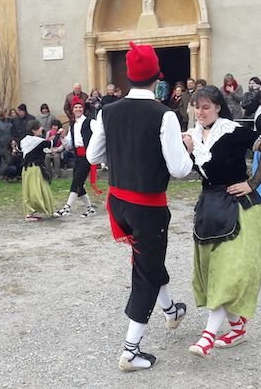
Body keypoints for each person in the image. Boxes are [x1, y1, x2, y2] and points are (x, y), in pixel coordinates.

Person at [86, 41, 193, 372]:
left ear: (130, 76)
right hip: (147, 205)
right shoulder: (165, 115)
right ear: (156, 76)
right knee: (145, 271)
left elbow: (92, 156)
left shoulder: (108, 111)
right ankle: (131, 350)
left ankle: (170, 310)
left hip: (119, 202)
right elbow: (179, 169)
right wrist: (187, 147)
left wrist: (122, 157)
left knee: (149, 260)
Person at [180, 86, 261, 359]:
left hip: (240, 210)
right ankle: (237, 328)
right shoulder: (192, 136)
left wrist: (252, 183)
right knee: (216, 273)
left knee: (226, 274)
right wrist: (188, 151)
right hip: (210, 210)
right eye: (196, 107)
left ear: (218, 107)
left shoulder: (233, 131)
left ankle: (207, 337)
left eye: (206, 107)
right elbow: (193, 171)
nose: (200, 112)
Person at [54, 97, 98, 218]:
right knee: (79, 183)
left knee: (76, 181)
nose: (78, 109)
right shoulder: (72, 126)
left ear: (83, 109)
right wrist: (62, 136)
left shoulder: (91, 122)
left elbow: (99, 136)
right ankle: (90, 208)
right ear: (72, 110)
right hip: (77, 156)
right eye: (75, 107)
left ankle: (67, 207)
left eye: (80, 107)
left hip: (87, 155)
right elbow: (68, 144)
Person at [20, 120, 56, 220]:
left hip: (28, 170)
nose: (41, 129)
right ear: (34, 130)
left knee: (41, 189)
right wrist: (55, 133)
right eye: (39, 127)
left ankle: (49, 211)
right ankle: (30, 213)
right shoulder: (37, 142)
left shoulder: (25, 141)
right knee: (35, 191)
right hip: (34, 170)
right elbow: (50, 143)